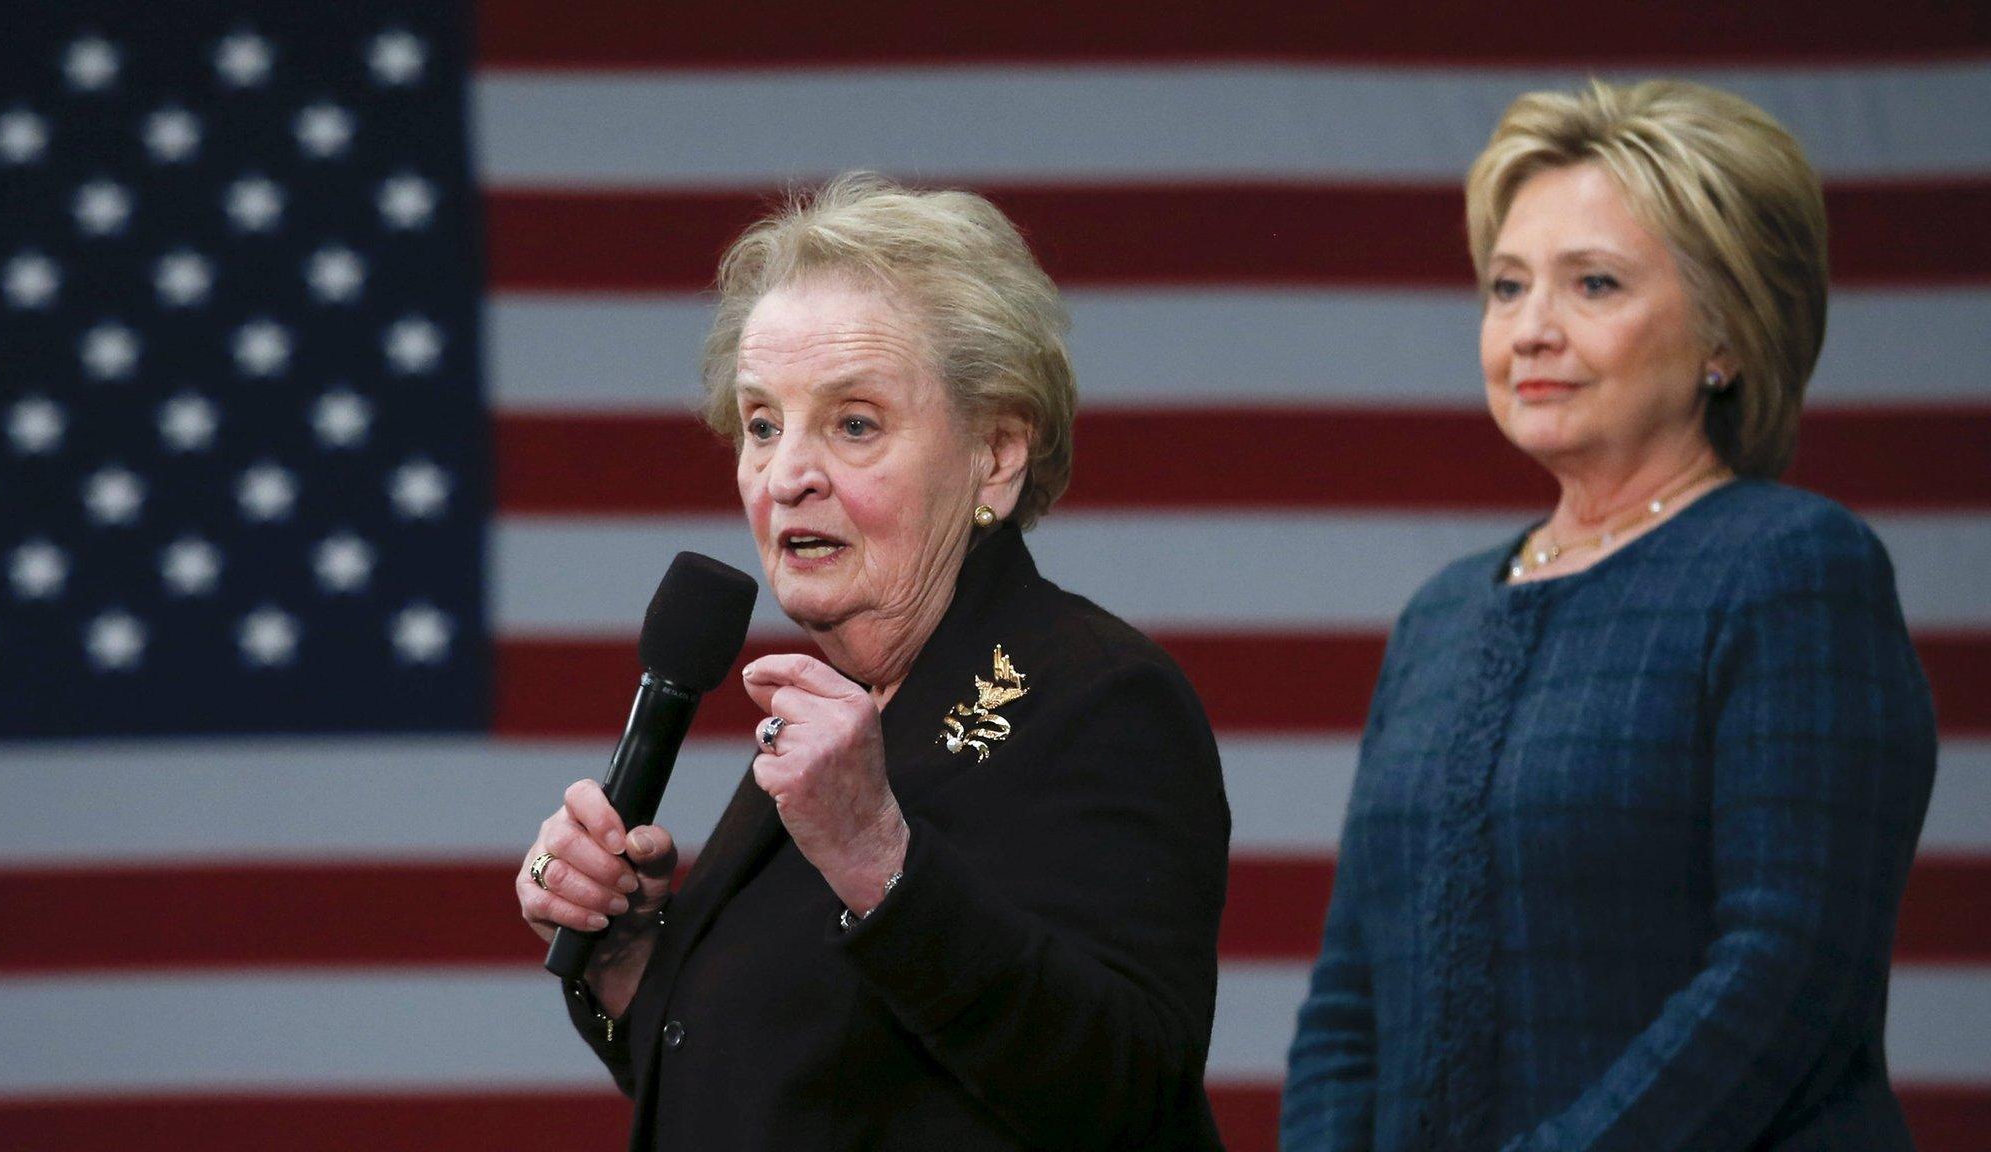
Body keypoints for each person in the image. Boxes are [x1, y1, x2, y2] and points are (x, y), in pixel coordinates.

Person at [1282, 79, 1937, 1151]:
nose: (1529, 329)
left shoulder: (1792, 569)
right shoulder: (1439, 618)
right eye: (1504, 288)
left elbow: (1784, 973)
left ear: (1726, 333)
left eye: (1590, 285)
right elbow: (1353, 991)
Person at [515, 173, 1231, 1149]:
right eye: (762, 424)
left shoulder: (1101, 695)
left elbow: (1125, 1091)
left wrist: (876, 862)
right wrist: (629, 957)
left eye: (853, 423)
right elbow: (763, 1082)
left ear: (996, 454)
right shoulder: (840, 709)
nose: (787, 474)